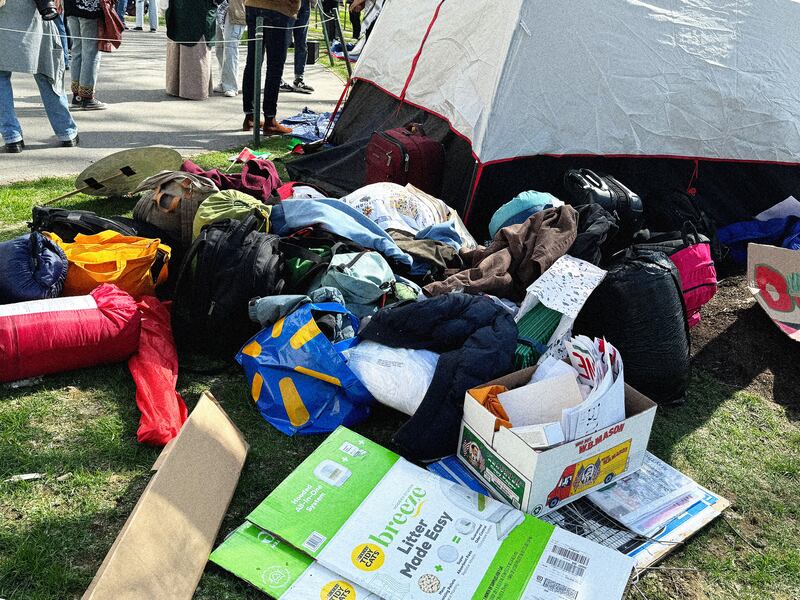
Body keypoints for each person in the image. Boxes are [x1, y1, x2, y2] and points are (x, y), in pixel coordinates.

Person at [0, 0, 79, 152]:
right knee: (47, 72)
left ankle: (12, 137)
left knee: (1, 78)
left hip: (16, 11)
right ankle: (66, 132)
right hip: (36, 12)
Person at [241, 0, 298, 135]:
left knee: (253, 63)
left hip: (253, 5)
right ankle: (270, 120)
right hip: (278, 8)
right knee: (274, 67)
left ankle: (250, 116)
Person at [164, 0, 218, 100]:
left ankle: (194, 90)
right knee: (178, 42)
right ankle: (176, 87)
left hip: (200, 10)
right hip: (179, 9)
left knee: (196, 50)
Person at [64, 0, 107, 109]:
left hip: (71, 7)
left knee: (77, 51)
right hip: (89, 8)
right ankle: (87, 97)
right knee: (90, 52)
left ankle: (77, 95)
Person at [279, 0, 313, 94]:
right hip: (288, 4)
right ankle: (278, 78)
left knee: (302, 43)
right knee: (284, 42)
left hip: (305, 4)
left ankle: (299, 79)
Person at [213, 0, 245, 97]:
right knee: (219, 48)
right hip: (219, 9)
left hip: (236, 10)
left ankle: (231, 86)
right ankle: (223, 82)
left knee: (230, 48)